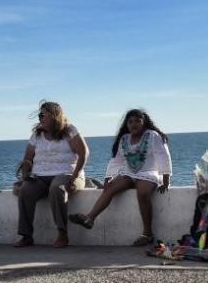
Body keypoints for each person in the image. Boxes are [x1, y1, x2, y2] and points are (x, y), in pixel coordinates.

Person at [69, 109, 171, 246]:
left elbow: (163, 156)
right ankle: (89, 218)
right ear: (126, 124)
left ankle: (147, 234)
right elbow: (116, 160)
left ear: (144, 122)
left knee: (143, 193)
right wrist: (108, 176)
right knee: (109, 188)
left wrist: (166, 179)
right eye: (130, 122)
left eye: (137, 121)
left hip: (149, 173)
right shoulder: (125, 139)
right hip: (129, 173)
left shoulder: (153, 135)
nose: (134, 124)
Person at [14, 101, 89, 248]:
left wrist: (74, 177)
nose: (40, 118)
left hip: (67, 173)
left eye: (43, 115)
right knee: (26, 191)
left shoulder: (69, 131)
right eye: (39, 115)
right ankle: (26, 235)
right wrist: (26, 172)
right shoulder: (37, 135)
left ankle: (62, 234)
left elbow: (83, 153)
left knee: (56, 189)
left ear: (54, 116)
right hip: (40, 177)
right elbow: (28, 158)